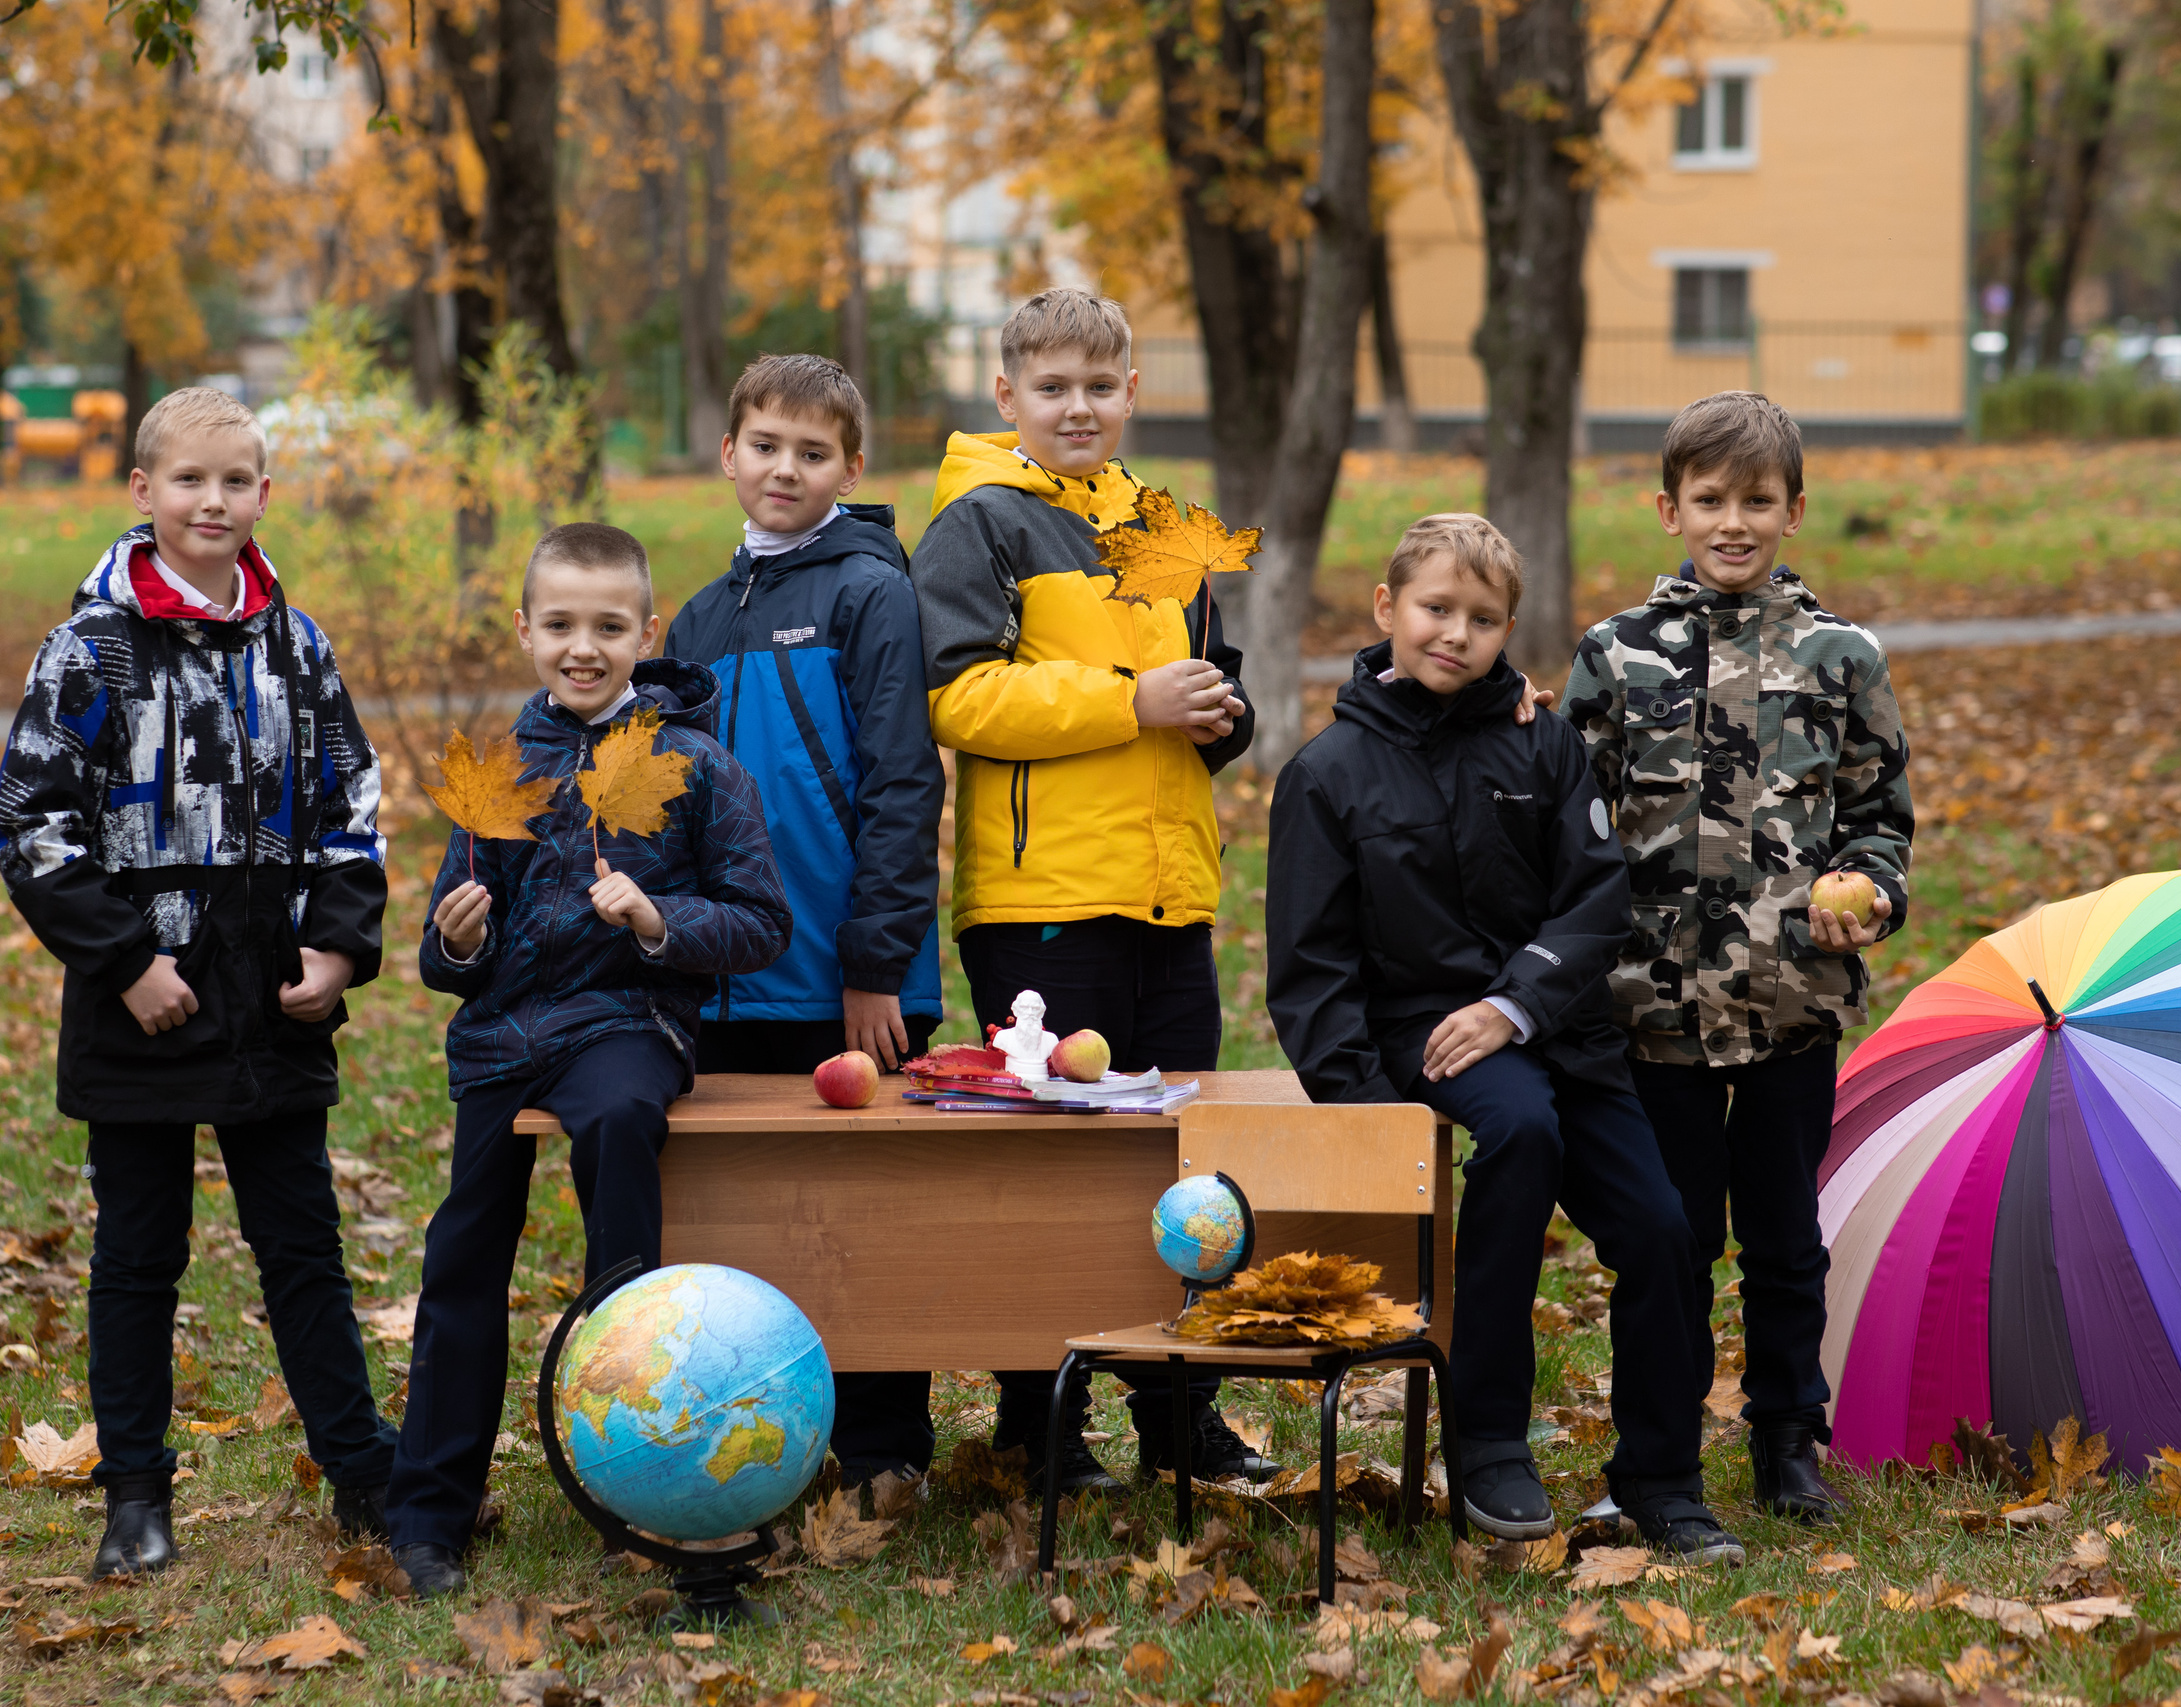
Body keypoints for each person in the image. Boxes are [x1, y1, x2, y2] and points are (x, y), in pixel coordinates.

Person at [1265, 513, 1739, 1561]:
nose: (1455, 635)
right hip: (1419, 1040)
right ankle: (1486, 1439)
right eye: (1436, 609)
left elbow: (1594, 900)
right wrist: (1363, 1116)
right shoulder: (1326, 773)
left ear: (1507, 630)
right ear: (1387, 608)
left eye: (1482, 620)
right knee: (1516, 1132)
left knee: (1663, 1232)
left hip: (1558, 1031)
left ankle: (1660, 1476)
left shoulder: (1545, 741)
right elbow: (1310, 969)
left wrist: (1514, 1004)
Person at [0, 387, 402, 1580]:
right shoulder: (92, 649)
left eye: (235, 483)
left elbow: (350, 807)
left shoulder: (298, 644)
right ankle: (135, 1494)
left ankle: (363, 1476)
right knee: (139, 1254)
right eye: (187, 481)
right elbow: (33, 823)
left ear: (264, 496)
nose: (211, 501)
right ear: (143, 492)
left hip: (268, 994)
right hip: (143, 1002)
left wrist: (336, 945)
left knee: (303, 1248)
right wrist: (124, 963)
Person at [909, 286, 1273, 1495]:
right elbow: (955, 696)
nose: (1078, 406)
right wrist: (1130, 703)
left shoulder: (1167, 525)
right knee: (1057, 1169)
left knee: (1182, 1161)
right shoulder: (977, 523)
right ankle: (1037, 1424)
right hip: (1037, 898)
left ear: (1133, 394)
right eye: (1051, 386)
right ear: (1006, 397)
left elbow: (1208, 686)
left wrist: (1220, 712)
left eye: (1099, 385)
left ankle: (1182, 1416)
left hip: (1168, 891)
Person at [385, 522, 792, 1595]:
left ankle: (643, 1453)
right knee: (463, 1252)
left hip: (626, 1025)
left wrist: (660, 922)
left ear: (644, 632)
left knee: (618, 1123)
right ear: (524, 630)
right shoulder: (498, 775)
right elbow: (444, 954)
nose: (583, 647)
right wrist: (457, 945)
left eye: (608, 627)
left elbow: (760, 922)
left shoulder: (693, 767)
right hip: (505, 1037)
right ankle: (431, 1510)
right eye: (559, 624)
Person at [1564, 391, 1914, 1525]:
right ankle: (1653, 1446)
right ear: (1668, 507)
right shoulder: (1615, 657)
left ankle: (1784, 1439)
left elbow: (1877, 819)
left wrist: (1870, 894)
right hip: (1650, 1004)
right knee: (1666, 1241)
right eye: (1709, 500)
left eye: (1756, 501)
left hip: (1789, 1001)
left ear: (1793, 511)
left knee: (1780, 1237)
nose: (1733, 522)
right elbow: (1567, 823)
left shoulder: (1839, 658)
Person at [661, 352, 945, 1490]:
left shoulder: (871, 593)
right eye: (765, 446)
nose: (785, 469)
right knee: (753, 1224)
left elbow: (901, 786)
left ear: (852, 466)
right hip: (723, 978)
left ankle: (884, 1447)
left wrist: (874, 965)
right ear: (728, 453)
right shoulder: (692, 618)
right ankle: (766, 1440)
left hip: (843, 977)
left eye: (812, 452)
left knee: (863, 1217)